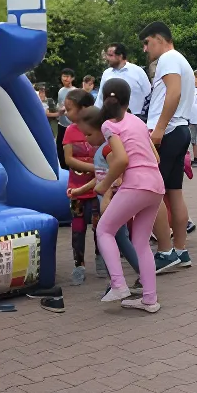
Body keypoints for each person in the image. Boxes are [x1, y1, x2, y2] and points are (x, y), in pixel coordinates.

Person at [93, 78, 165, 313]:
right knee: (142, 243)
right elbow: (156, 158)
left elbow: (122, 159)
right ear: (128, 99)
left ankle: (119, 284)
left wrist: (104, 185)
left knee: (104, 230)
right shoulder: (138, 122)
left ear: (105, 98)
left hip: (136, 184)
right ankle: (149, 299)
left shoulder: (109, 125)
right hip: (155, 184)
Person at [139, 22, 195, 272]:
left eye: (147, 43)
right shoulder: (180, 60)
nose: (145, 49)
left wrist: (159, 129)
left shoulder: (169, 58)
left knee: (152, 192)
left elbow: (172, 94)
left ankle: (165, 251)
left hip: (168, 130)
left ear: (159, 39)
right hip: (180, 129)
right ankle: (181, 250)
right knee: (174, 191)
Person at [73, 106, 143, 294]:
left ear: (100, 129)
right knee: (119, 239)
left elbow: (118, 176)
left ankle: (121, 281)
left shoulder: (108, 150)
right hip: (108, 201)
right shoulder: (101, 151)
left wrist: (108, 198)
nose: (86, 139)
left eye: (88, 134)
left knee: (109, 237)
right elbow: (101, 177)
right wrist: (81, 190)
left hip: (113, 202)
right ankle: (138, 276)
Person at [62, 89, 99, 285]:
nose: (65, 112)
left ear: (84, 109)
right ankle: (79, 264)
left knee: (99, 225)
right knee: (77, 226)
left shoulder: (100, 129)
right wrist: (96, 168)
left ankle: (102, 259)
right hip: (76, 189)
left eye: (69, 109)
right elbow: (69, 159)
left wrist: (101, 171)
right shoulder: (69, 131)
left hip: (98, 188)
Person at [95, 43, 152, 121]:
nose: (107, 58)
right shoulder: (106, 73)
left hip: (135, 118)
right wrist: (96, 116)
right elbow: (100, 98)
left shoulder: (137, 71)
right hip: (111, 119)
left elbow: (149, 95)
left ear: (120, 56)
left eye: (110, 55)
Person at [55, 69, 76, 168]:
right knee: (59, 147)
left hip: (72, 125)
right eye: (63, 76)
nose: (65, 79)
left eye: (67, 76)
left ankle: (72, 168)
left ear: (72, 78)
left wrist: (67, 109)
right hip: (62, 124)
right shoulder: (60, 91)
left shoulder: (75, 91)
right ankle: (63, 168)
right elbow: (60, 106)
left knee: (71, 148)